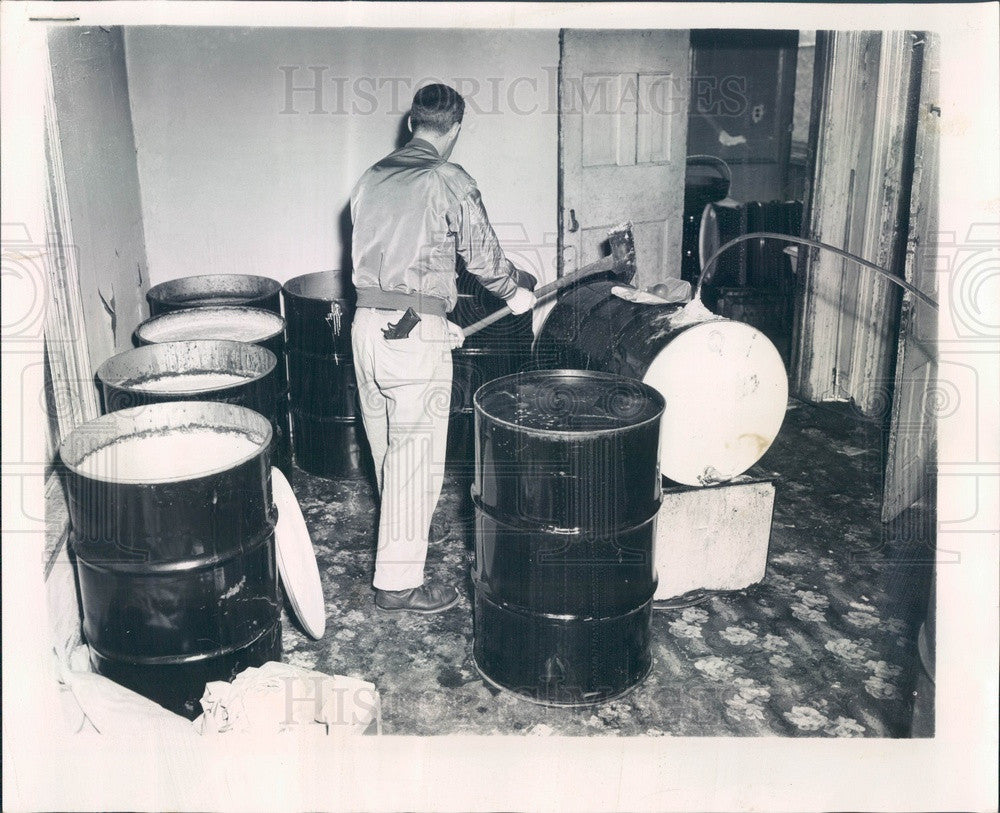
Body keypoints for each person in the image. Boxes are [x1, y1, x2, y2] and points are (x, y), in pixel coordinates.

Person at [350, 83, 537, 614]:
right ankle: (398, 585)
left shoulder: (370, 178)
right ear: (454, 128)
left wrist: (439, 325)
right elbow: (480, 256)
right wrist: (512, 292)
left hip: (369, 328)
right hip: (411, 336)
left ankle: (398, 560)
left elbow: (395, 273)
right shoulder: (447, 177)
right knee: (416, 464)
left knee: (389, 456)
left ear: (412, 124)